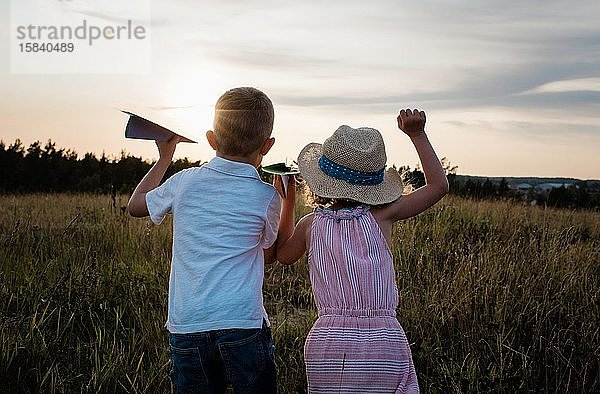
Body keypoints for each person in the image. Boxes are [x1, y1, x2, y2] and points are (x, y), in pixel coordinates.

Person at [276, 109, 449, 393]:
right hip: (384, 343)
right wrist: (417, 134)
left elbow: (282, 256)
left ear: (321, 180)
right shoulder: (383, 216)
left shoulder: (311, 224)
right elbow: (439, 186)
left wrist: (288, 201)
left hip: (328, 346)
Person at [127, 87, 281, 393]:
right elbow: (269, 251)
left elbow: (135, 206)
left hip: (188, 324)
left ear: (211, 139)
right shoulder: (267, 196)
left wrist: (165, 157)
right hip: (243, 322)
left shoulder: (183, 182)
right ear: (268, 145)